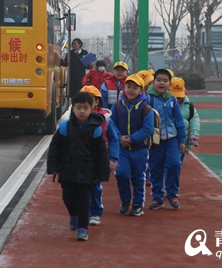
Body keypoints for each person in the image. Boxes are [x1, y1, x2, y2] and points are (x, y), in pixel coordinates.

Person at [47, 92, 110, 241]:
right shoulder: (64, 127)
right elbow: (54, 148)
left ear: (92, 109)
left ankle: (83, 228)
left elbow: (101, 152)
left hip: (88, 172)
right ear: (72, 109)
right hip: (67, 170)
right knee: (68, 198)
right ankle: (73, 215)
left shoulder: (96, 130)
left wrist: (102, 173)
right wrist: (53, 167)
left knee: (83, 201)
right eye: (79, 107)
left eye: (86, 108)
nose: (82, 111)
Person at [110, 74, 154, 217]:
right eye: (129, 86)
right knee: (121, 174)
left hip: (140, 149)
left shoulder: (146, 109)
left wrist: (132, 139)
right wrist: (119, 137)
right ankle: (125, 200)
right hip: (121, 149)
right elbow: (111, 124)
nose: (131, 90)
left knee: (138, 177)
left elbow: (148, 129)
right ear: (124, 87)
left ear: (141, 90)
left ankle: (137, 205)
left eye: (135, 88)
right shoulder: (117, 106)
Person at [146, 69, 186, 210]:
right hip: (155, 142)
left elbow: (179, 121)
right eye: (159, 80)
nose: (161, 83)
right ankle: (157, 198)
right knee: (155, 168)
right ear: (153, 82)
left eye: (165, 81)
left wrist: (182, 140)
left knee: (175, 164)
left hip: (172, 140)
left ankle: (172, 194)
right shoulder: (148, 99)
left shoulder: (173, 100)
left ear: (169, 84)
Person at [80, 85, 119, 226]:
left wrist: (113, 159)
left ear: (97, 102)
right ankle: (82, 212)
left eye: (89, 99)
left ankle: (95, 213)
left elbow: (114, 139)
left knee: (95, 187)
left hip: (98, 159)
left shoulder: (106, 119)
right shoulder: (75, 119)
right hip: (80, 159)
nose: (85, 104)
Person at [169, 77, 200, 164]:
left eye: (179, 97)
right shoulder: (165, 104)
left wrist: (194, 134)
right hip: (168, 139)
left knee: (177, 165)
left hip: (183, 141)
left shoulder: (189, 105)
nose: (176, 99)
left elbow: (194, 120)